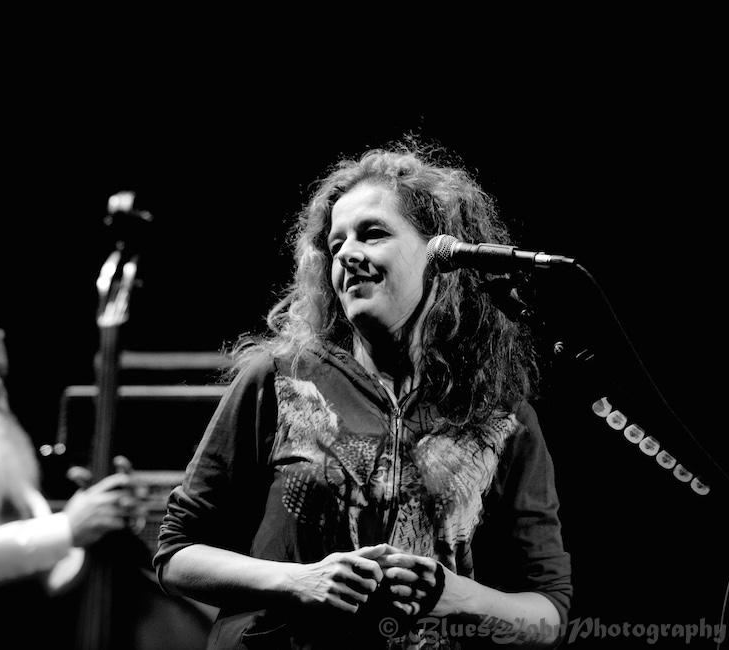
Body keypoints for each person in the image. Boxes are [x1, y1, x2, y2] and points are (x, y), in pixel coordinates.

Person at [153, 140, 573, 649]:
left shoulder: (500, 416)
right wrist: (297, 580)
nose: (348, 254)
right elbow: (176, 554)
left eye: (373, 234)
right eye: (335, 245)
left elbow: (548, 614)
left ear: (443, 254)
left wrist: (459, 596)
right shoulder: (280, 378)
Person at [0, 315, 140, 646]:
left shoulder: (1, 458)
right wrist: (68, 528)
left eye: (0, 373)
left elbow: (51, 575)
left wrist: (102, 520)